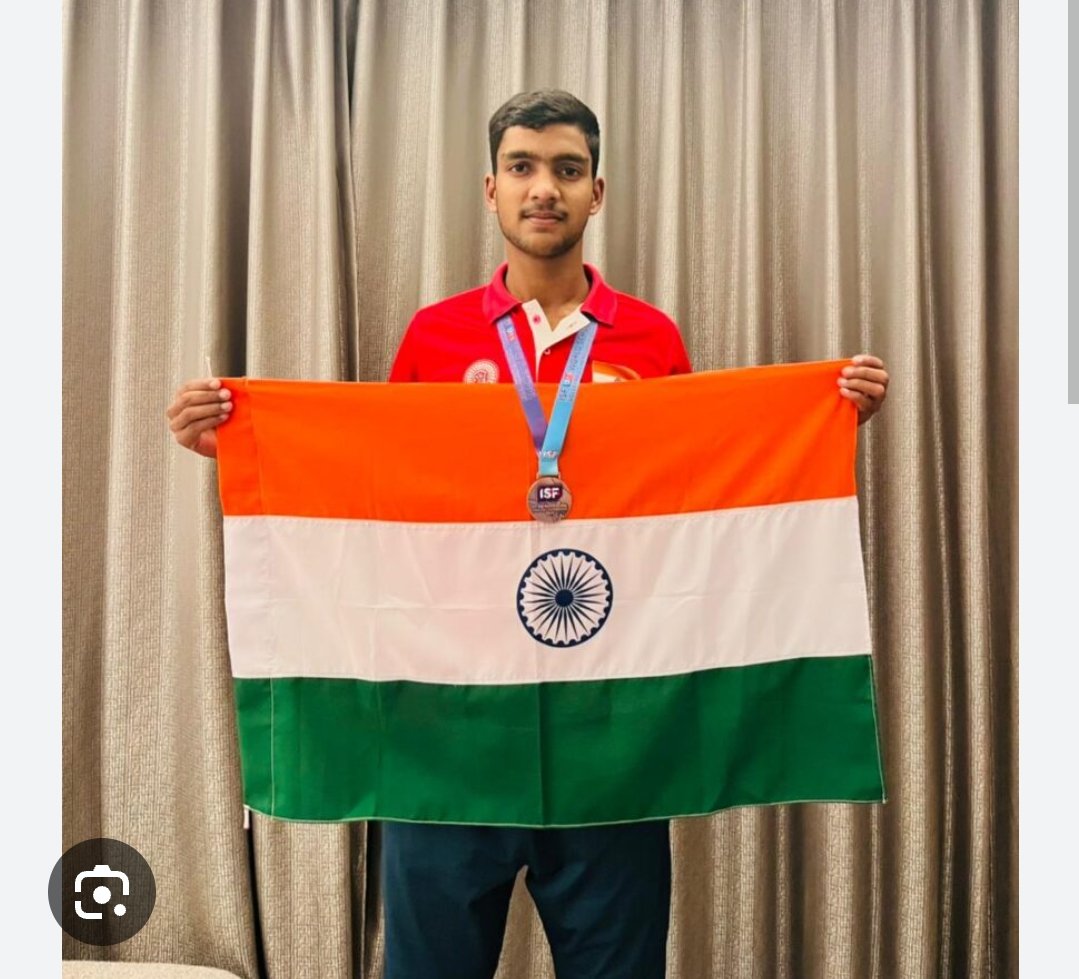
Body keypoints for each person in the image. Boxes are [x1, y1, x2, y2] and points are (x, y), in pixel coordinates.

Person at [168, 89, 889, 979]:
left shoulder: (650, 339)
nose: (543, 187)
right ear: (491, 189)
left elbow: (702, 506)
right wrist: (245, 447)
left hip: (613, 744)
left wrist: (818, 427)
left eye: (566, 169)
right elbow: (375, 504)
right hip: (449, 737)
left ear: (596, 192)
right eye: (522, 167)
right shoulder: (435, 337)